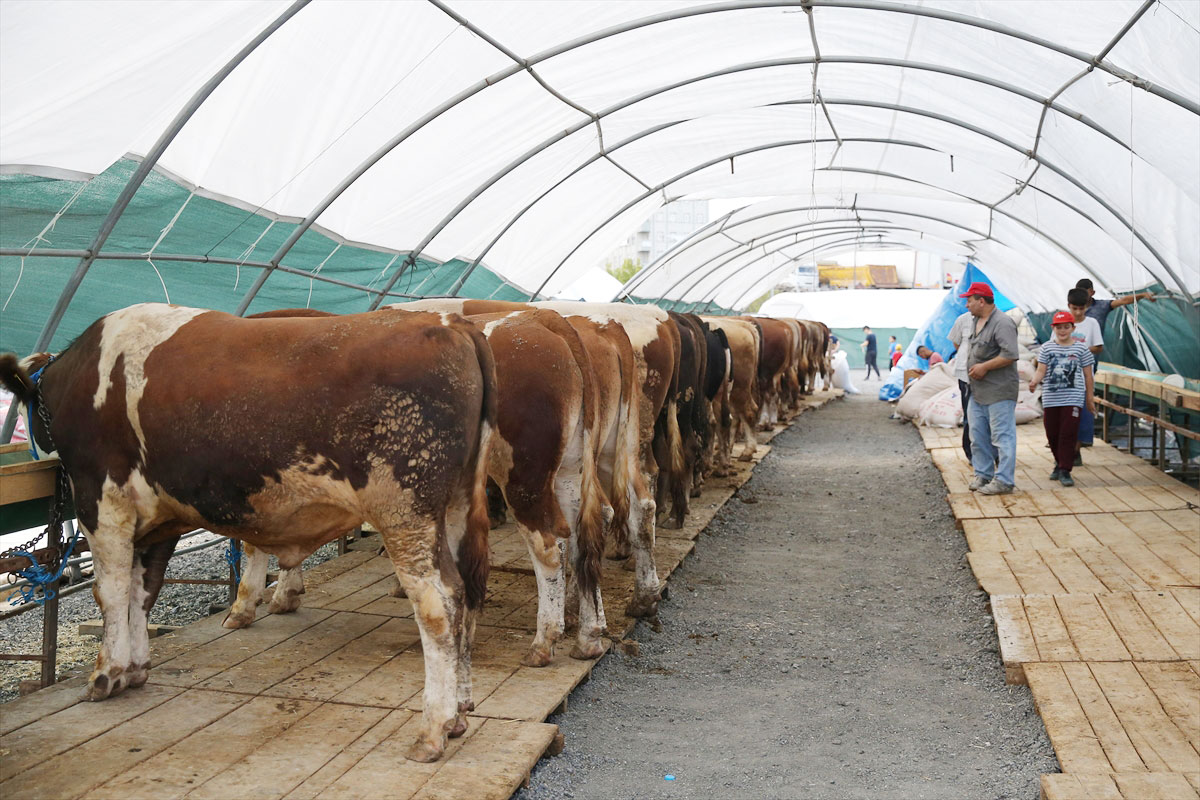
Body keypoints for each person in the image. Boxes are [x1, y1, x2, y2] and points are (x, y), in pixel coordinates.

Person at [961, 282, 1019, 495]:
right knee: (977, 434)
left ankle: (1004, 480)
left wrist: (984, 366)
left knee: (1002, 437)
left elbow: (1011, 354)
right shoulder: (976, 321)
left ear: (981, 301)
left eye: (969, 300)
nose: (967, 305)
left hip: (999, 391)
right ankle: (983, 474)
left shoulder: (1002, 323)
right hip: (977, 390)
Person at [1029, 311, 1096, 487]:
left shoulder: (1081, 349)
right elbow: (1041, 370)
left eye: (1066, 327)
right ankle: (1059, 463)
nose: (1063, 330)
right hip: (1051, 397)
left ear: (1073, 328)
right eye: (1059, 327)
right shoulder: (1047, 348)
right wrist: (1034, 381)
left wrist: (1089, 398)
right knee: (1052, 433)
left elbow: (1088, 376)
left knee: (1068, 433)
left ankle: (1066, 470)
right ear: (1054, 328)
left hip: (1073, 397)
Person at [1067, 287, 1104, 465]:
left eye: (1081, 308)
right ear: (1069, 306)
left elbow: (1098, 346)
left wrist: (1078, 350)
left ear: (1087, 306)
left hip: (1083, 376)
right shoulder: (1063, 323)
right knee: (1066, 418)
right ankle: (1068, 452)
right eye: (1074, 308)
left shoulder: (1092, 324)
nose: (1078, 312)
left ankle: (1075, 450)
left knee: (1081, 416)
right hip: (1064, 379)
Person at [1075, 278, 1157, 332]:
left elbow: (1123, 300)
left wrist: (1142, 295)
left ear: (1092, 292)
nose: (1082, 295)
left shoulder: (1101, 306)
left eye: (1085, 292)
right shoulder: (1072, 307)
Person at [948, 310, 974, 461]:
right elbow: (956, 342)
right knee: (969, 416)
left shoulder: (996, 321)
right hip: (965, 376)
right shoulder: (962, 320)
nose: (967, 304)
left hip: (988, 378)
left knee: (989, 417)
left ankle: (992, 453)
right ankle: (970, 453)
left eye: (970, 300)